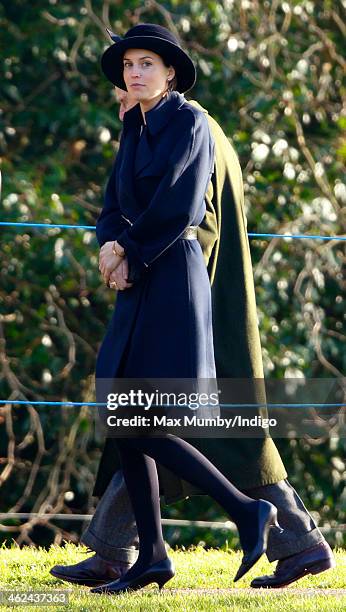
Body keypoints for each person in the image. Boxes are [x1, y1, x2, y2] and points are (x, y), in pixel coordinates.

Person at [50, 26, 335, 590]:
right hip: (146, 279)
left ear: (170, 72)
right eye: (128, 65)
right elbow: (116, 202)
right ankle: (144, 552)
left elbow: (186, 210)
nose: (132, 75)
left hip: (184, 285)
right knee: (129, 409)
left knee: (200, 421)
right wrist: (111, 248)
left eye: (146, 64)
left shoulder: (193, 124)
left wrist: (130, 252)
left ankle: (261, 526)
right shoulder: (138, 126)